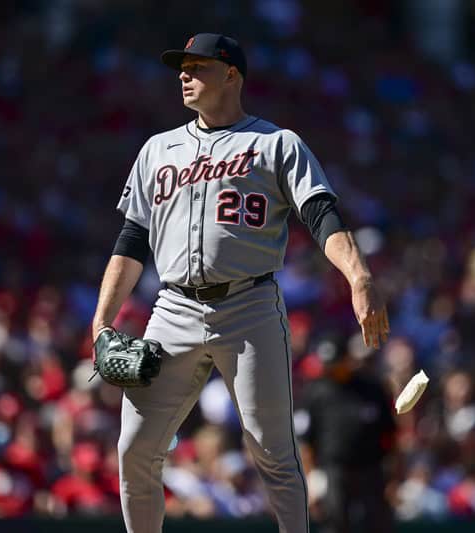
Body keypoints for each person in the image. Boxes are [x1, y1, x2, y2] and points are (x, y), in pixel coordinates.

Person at [91, 33, 390, 533]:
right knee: (135, 450)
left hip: (249, 306)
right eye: (182, 67)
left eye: (197, 66)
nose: (184, 75)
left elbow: (321, 214)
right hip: (173, 309)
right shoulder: (157, 149)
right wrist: (102, 318)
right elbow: (132, 240)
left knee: (274, 452)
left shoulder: (276, 144)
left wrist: (359, 275)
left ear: (231, 74)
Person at [298, 334, 397, 533]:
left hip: (371, 471)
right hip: (333, 472)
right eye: (328, 364)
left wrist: (393, 478)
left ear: (348, 359)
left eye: (336, 363)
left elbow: (391, 435)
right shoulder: (315, 392)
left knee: (377, 524)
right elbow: (304, 441)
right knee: (335, 525)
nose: (331, 368)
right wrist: (311, 481)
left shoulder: (372, 388)